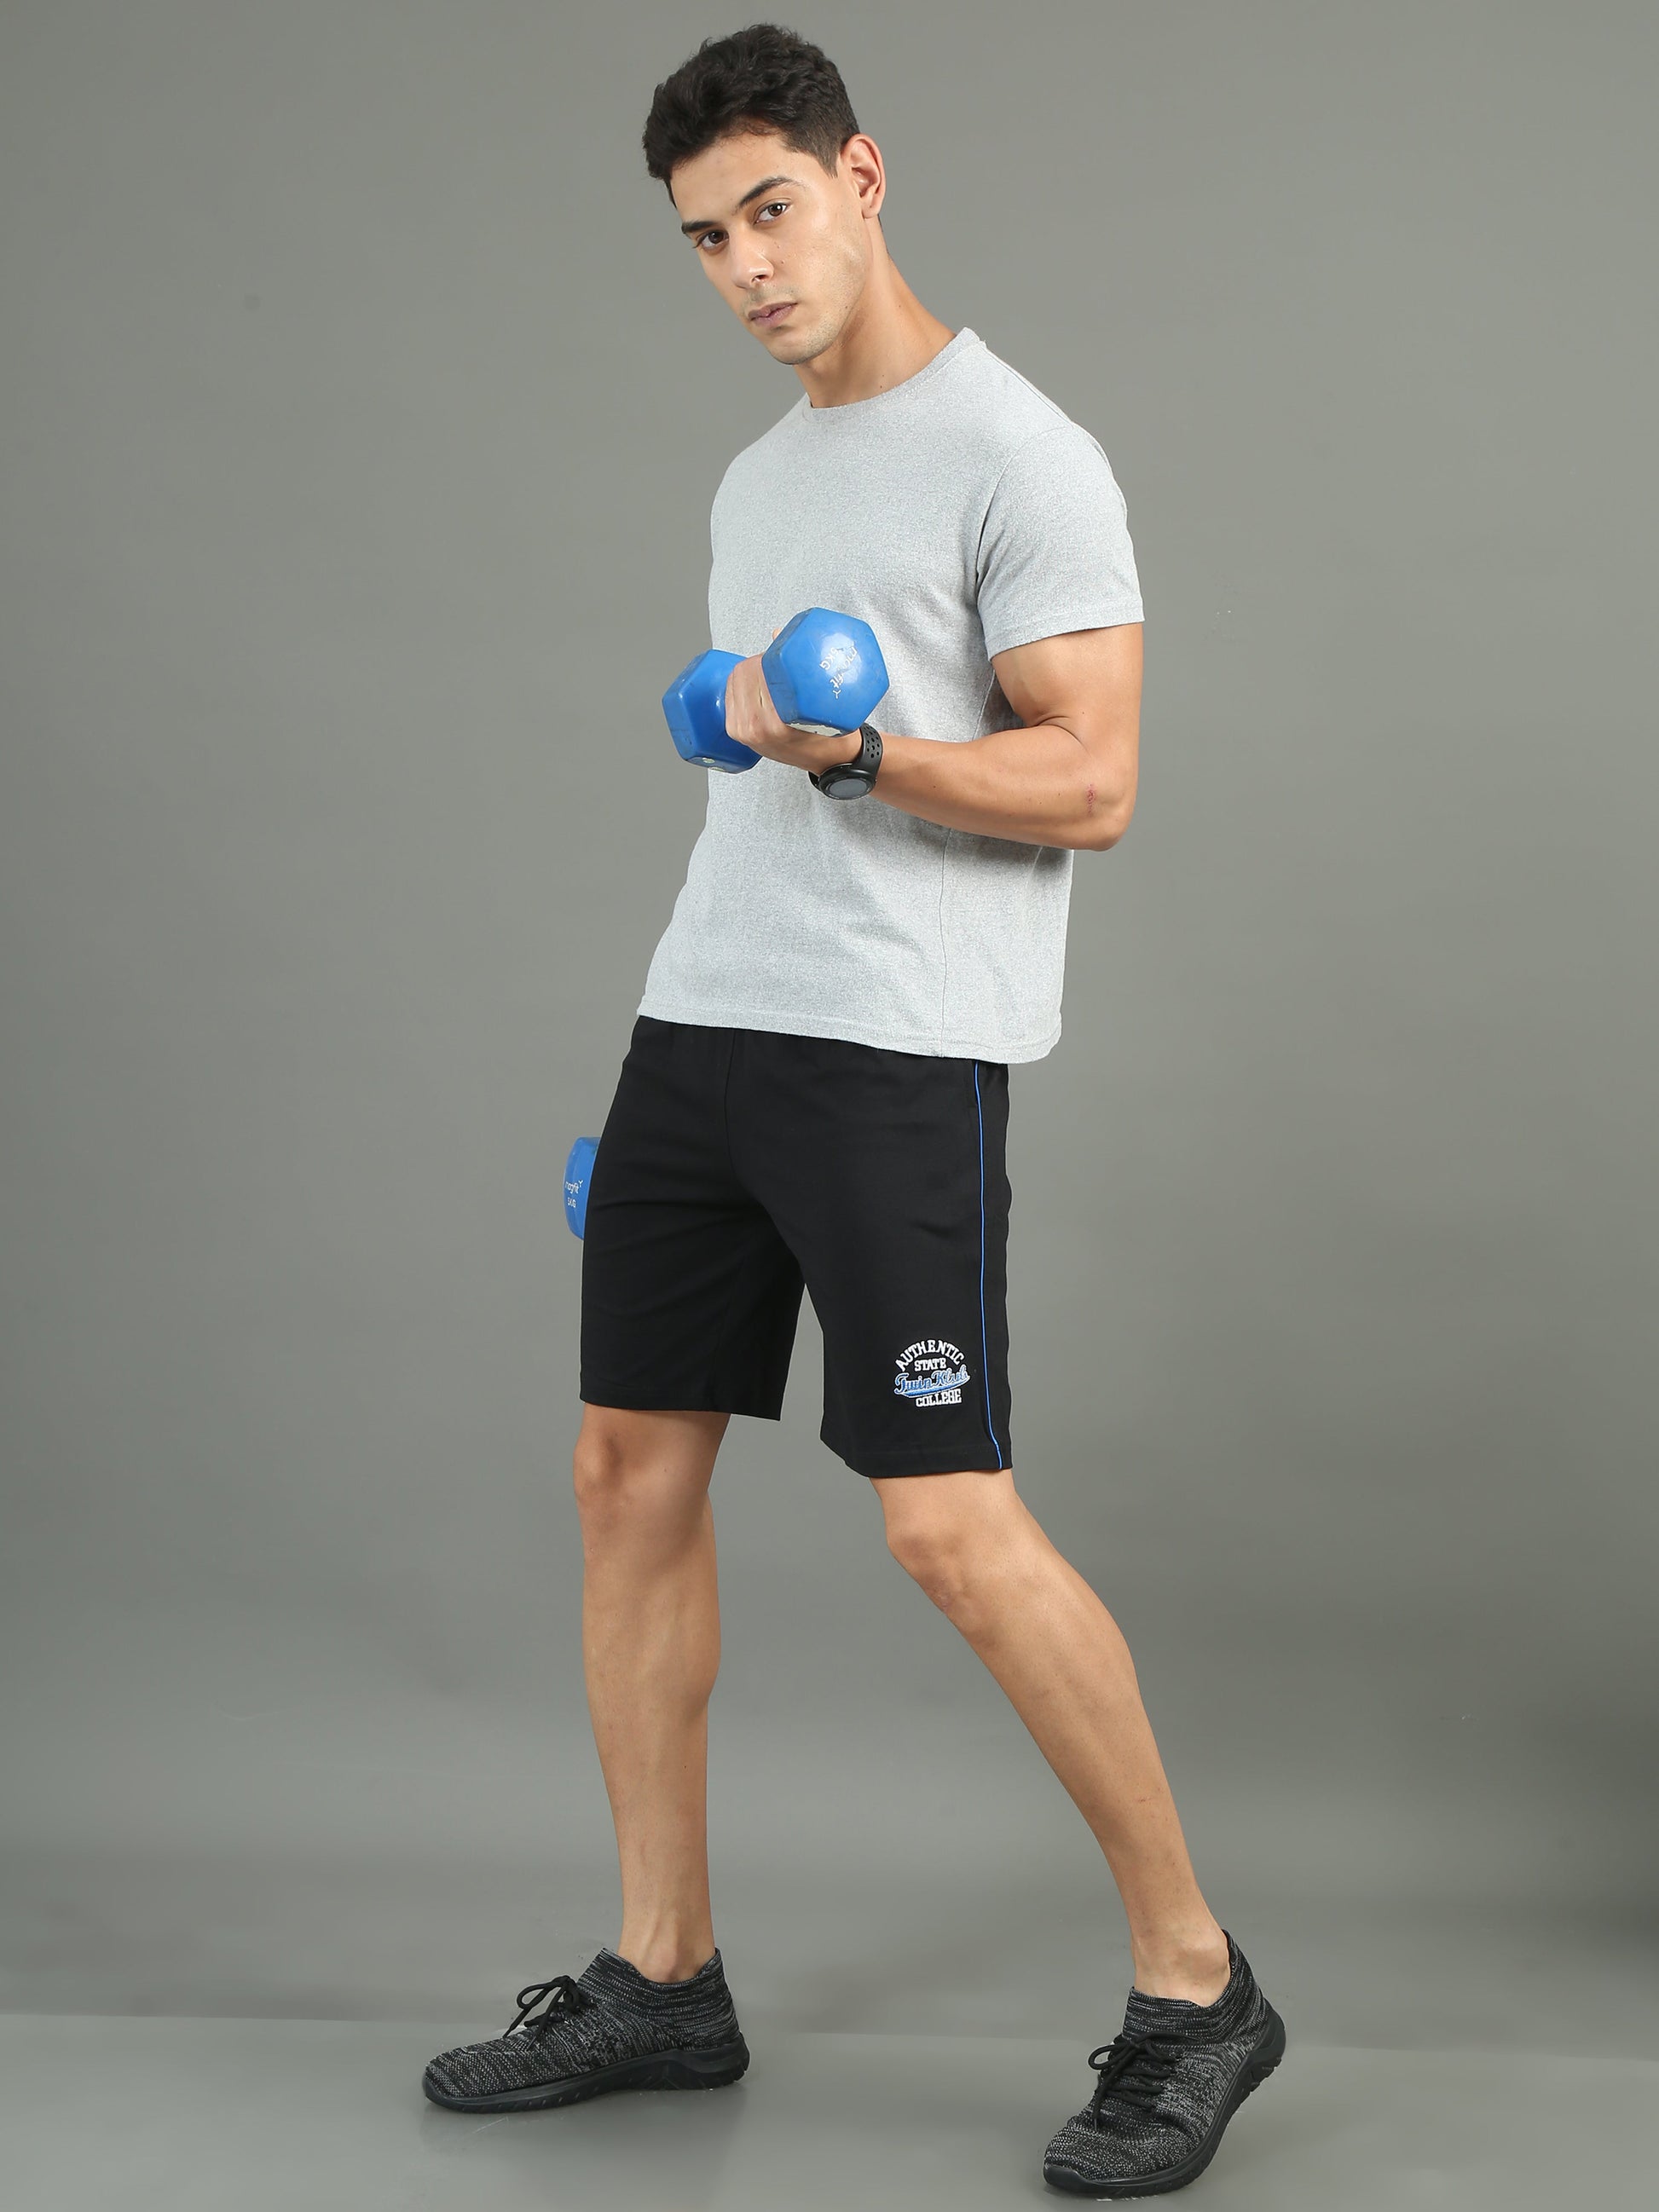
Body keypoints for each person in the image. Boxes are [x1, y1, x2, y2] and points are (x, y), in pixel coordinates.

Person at [422, 20, 1285, 2198]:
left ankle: (1196, 1983)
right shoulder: (756, 479)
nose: (745, 266)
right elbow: (757, 790)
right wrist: (689, 1021)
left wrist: (859, 752)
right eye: (705, 238)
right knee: (624, 1471)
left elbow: (1094, 776)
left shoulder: (1021, 453)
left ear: (862, 176)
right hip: (701, 1022)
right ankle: (663, 1972)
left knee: (944, 1525)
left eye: (771, 210)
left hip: (895, 1051)